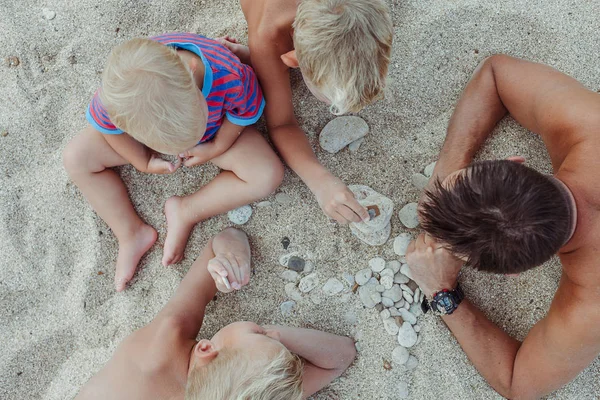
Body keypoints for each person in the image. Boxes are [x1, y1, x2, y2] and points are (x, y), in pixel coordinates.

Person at [405, 55, 600, 399]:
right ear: (514, 162)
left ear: (516, 274)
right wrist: (441, 182)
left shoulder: (590, 302)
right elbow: (495, 73)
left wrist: (441, 290)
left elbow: (517, 383)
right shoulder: (587, 125)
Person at [63, 33, 284, 291]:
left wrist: (215, 146)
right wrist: (141, 158)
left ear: (190, 71)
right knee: (75, 157)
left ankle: (187, 210)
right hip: (147, 135)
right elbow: (108, 130)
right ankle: (130, 233)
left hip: (213, 133)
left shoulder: (228, 74)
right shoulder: (116, 97)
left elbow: (244, 112)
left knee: (267, 174)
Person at [75, 228, 356, 400]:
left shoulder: (170, 339)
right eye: (262, 331)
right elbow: (340, 357)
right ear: (205, 348)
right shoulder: (159, 347)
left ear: (207, 349)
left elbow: (223, 239)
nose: (272, 331)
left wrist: (269, 337)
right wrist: (231, 259)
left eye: (263, 333)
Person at [226, 0, 393, 224]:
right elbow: (281, 124)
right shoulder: (268, 38)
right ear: (292, 60)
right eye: (327, 98)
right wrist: (320, 181)